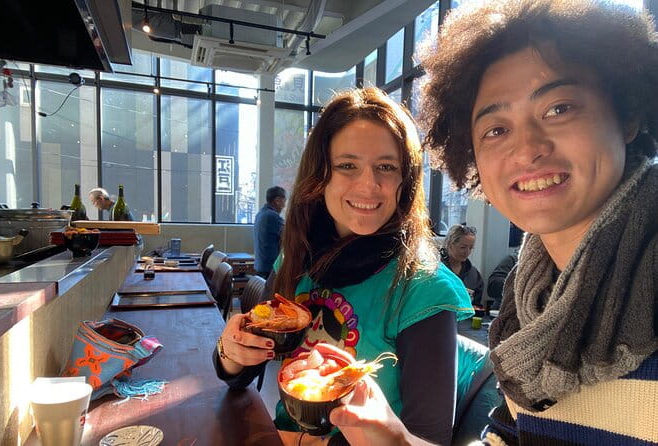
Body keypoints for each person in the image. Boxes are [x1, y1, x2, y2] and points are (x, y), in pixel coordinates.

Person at [417, 0, 658, 443]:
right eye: (496, 129)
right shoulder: (528, 303)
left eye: (559, 108)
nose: (527, 149)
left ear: (628, 116)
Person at [214, 87, 473, 445]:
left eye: (386, 167)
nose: (369, 185)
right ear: (320, 177)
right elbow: (243, 372)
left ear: (406, 181)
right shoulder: (297, 257)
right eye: (347, 165)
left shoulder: (424, 288)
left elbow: (428, 439)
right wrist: (231, 351)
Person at [440, 224, 484, 306]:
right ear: (450, 244)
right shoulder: (436, 269)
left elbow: (476, 305)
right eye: (463, 247)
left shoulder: (474, 275)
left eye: (471, 248)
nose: (467, 252)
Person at [253, 186, 286, 279]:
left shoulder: (260, 214)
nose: (284, 206)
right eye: (284, 201)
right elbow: (289, 236)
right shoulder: (272, 216)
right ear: (277, 200)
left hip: (260, 266)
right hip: (269, 269)